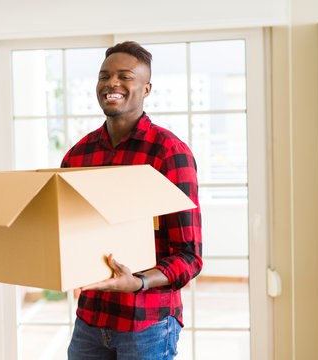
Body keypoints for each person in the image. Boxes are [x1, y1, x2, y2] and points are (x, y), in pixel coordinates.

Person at [61, 41, 202, 360]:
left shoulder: (168, 153)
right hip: (90, 319)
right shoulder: (79, 155)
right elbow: (69, 232)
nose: (112, 83)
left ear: (147, 88)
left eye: (125, 76)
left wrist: (137, 282)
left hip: (147, 323)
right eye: (104, 76)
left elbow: (189, 256)